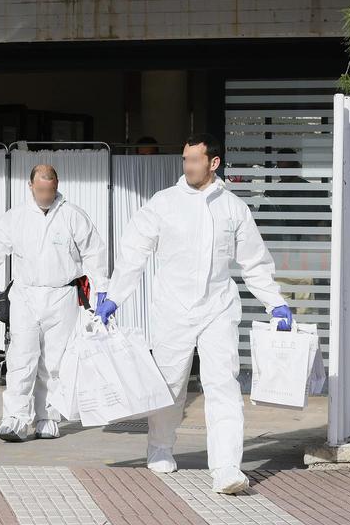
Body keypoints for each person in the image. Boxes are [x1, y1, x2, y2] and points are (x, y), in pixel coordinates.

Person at [96, 134, 292, 494]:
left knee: (223, 386)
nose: (187, 166)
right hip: (173, 308)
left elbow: (253, 262)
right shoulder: (164, 203)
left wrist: (274, 301)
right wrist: (114, 296)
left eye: (194, 160)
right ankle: (159, 448)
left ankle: (227, 467)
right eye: (184, 159)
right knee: (170, 384)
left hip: (218, 307)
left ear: (213, 163)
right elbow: (134, 252)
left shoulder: (233, 208)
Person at [0, 163, 107, 442]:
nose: (45, 195)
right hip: (25, 296)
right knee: (21, 358)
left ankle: (48, 418)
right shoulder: (15, 218)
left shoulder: (73, 216)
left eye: (50, 190)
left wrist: (102, 289)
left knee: (54, 362)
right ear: (30, 186)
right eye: (40, 189)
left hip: (61, 294)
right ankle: (15, 419)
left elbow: (95, 254)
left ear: (57, 186)